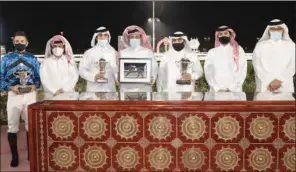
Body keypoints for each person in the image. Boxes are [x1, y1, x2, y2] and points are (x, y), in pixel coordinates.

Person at [0, 31, 41, 167]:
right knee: (12, 127)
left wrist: (35, 86)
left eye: (22, 41)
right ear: (13, 42)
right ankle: (15, 156)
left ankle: (31, 153)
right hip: (14, 95)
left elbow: (37, 77)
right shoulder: (6, 59)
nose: (19, 43)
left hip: (30, 95)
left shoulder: (33, 58)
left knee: (31, 125)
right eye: (17, 41)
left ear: (27, 43)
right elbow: (1, 78)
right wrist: (11, 88)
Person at [253, 19, 295, 93]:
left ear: (283, 30)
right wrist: (269, 81)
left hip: (284, 86)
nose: (276, 31)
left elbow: (293, 66)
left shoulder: (291, 46)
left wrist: (280, 80)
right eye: (273, 29)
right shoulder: (260, 46)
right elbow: (257, 65)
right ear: (268, 31)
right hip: (266, 86)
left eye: (279, 29)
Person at [204, 26, 247, 92]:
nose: (223, 35)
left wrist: (232, 88)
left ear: (230, 35)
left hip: (235, 91)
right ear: (217, 37)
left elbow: (242, 70)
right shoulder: (212, 52)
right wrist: (217, 88)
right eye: (221, 34)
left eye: (226, 33)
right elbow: (208, 72)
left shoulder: (238, 50)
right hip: (217, 91)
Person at [118, 25, 158, 92]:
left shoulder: (148, 52)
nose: (134, 39)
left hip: (144, 88)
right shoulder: (122, 53)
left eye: (137, 37)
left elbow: (154, 67)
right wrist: (118, 77)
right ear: (128, 38)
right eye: (132, 37)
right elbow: (117, 68)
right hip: (126, 89)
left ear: (141, 38)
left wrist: (152, 78)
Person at [79, 26, 118, 92]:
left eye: (105, 35)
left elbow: (117, 70)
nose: (103, 38)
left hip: (109, 90)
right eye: (100, 35)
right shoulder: (89, 52)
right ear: (96, 37)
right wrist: (93, 76)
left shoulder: (114, 53)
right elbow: (81, 70)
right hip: (93, 89)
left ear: (108, 37)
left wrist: (118, 78)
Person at [40, 34, 79, 100]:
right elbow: (44, 78)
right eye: (55, 46)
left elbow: (74, 76)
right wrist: (54, 90)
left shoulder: (68, 61)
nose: (57, 48)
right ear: (51, 47)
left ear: (64, 47)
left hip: (68, 94)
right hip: (51, 95)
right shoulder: (46, 62)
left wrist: (65, 89)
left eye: (60, 46)